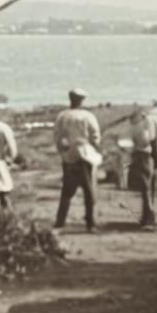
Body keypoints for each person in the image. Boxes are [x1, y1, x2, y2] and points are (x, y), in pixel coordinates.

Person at [53, 87, 102, 232]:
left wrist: (63, 151)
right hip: (85, 155)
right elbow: (95, 137)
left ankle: (60, 223)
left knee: (67, 192)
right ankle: (90, 223)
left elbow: (57, 136)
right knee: (88, 190)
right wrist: (94, 146)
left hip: (69, 156)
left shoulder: (63, 116)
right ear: (81, 100)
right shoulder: (88, 116)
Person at [127, 106, 157, 227]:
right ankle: (147, 215)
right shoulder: (141, 126)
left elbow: (147, 141)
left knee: (146, 187)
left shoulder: (144, 126)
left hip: (144, 156)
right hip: (143, 156)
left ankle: (149, 216)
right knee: (146, 187)